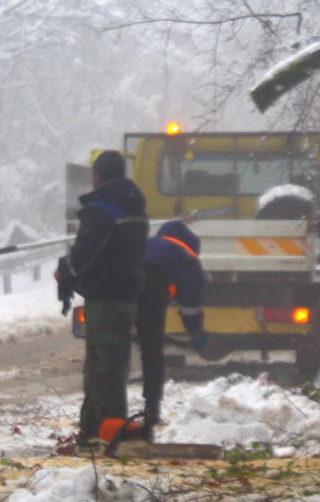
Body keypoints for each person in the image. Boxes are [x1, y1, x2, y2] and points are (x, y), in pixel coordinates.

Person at [55, 151, 149, 445]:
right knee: (102, 361)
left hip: (105, 298)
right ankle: (91, 427)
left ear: (96, 177)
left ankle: (112, 430)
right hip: (126, 294)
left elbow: (84, 255)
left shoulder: (103, 210)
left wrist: (64, 271)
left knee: (105, 363)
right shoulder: (134, 207)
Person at [137, 220, 208, 440]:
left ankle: (109, 414)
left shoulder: (149, 243)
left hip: (121, 284)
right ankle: (151, 410)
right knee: (151, 352)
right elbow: (190, 302)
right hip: (151, 288)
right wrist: (195, 331)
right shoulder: (187, 257)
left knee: (118, 349)